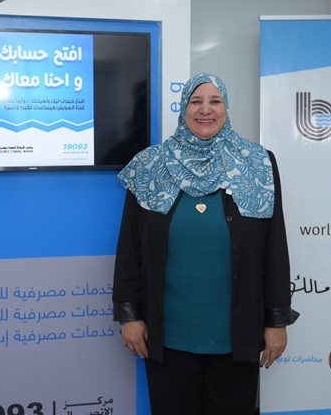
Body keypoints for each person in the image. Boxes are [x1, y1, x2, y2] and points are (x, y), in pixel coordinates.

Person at [112, 73, 299, 415]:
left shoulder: (258, 163)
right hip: (168, 339)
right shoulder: (150, 166)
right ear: (183, 109)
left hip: (236, 338)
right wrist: (129, 315)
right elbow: (130, 249)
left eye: (215, 101)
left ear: (226, 109)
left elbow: (274, 249)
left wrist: (276, 321)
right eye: (196, 101)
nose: (205, 110)